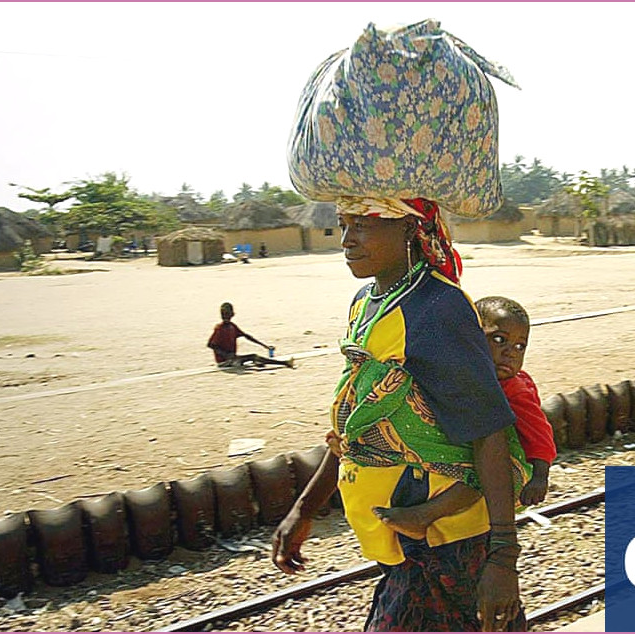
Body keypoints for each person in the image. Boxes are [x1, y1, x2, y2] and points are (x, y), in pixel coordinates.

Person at [271, 198, 528, 631]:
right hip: (401, 540)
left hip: (448, 540)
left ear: (409, 228)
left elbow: (489, 430)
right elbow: (358, 420)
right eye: (344, 224)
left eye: (364, 225)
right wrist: (305, 508)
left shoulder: (437, 307)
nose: (347, 240)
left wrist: (503, 558)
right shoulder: (366, 301)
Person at [369, 295, 557, 540]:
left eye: (520, 346)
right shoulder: (465, 374)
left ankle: (423, 516)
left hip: (506, 464)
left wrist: (540, 477)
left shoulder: (513, 388)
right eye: (499, 340)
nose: (510, 353)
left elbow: (539, 432)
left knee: (476, 479)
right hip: (467, 451)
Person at [207, 302, 293, 369]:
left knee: (253, 359)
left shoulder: (232, 326)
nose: (226, 317)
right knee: (254, 357)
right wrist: (225, 354)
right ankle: (284, 363)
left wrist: (265, 346)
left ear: (231, 315)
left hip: (233, 358)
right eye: (225, 315)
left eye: (227, 314)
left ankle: (268, 363)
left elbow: (247, 336)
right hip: (224, 362)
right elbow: (210, 345)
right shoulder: (219, 328)